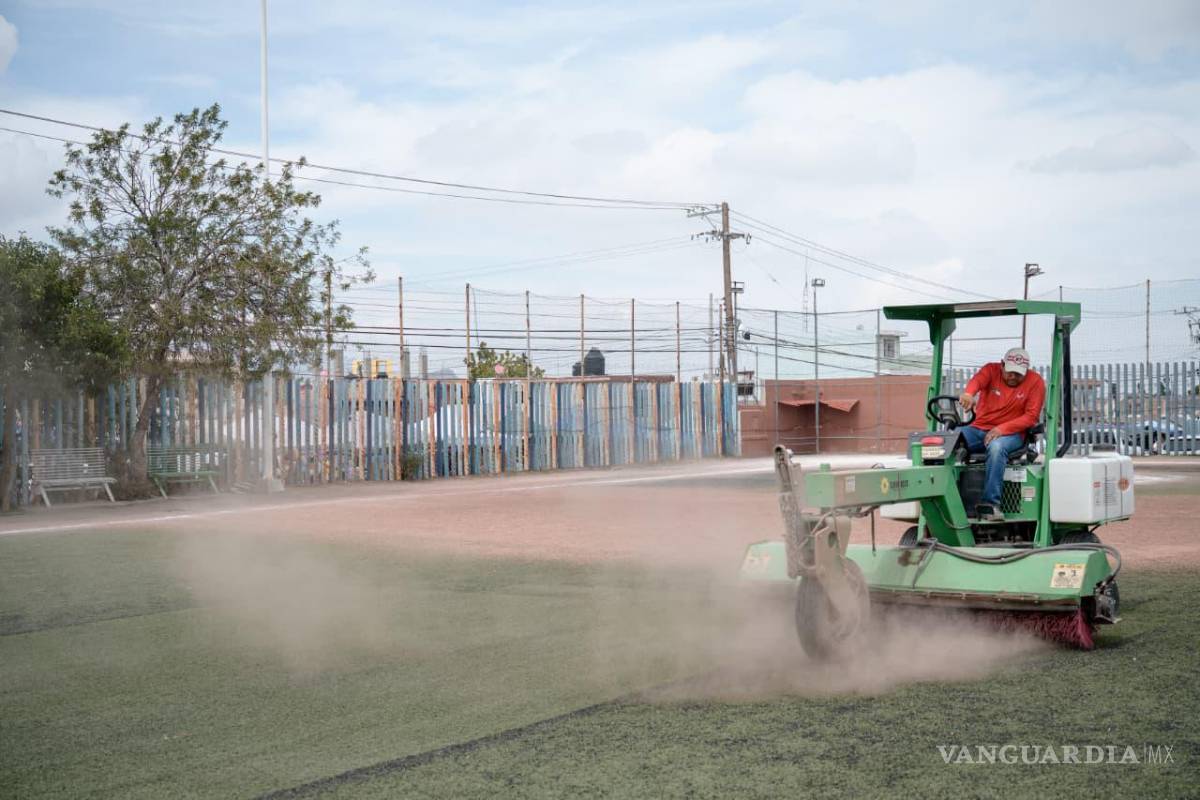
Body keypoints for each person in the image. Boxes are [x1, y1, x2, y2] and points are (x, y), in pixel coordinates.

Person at [958, 347, 1045, 521]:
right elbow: (977, 381)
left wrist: (1001, 429)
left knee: (996, 448)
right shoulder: (991, 370)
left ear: (1026, 371)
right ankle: (952, 502)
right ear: (1002, 364)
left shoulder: (1036, 383)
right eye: (1010, 372)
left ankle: (990, 504)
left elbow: (1031, 417)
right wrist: (968, 393)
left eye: (1018, 374)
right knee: (950, 439)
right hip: (980, 429)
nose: (1013, 377)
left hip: (1012, 434)